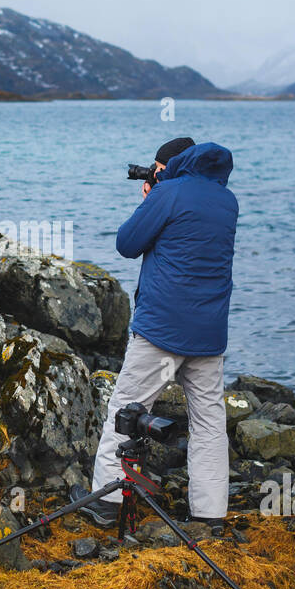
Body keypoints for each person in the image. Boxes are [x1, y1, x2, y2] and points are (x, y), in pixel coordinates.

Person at [72, 137, 240, 528]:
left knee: (127, 409)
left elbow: (127, 243)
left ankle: (108, 502)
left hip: (162, 330)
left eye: (156, 167)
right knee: (209, 422)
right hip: (209, 334)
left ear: (171, 166)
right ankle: (210, 515)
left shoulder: (169, 195)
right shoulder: (226, 200)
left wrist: (150, 197)